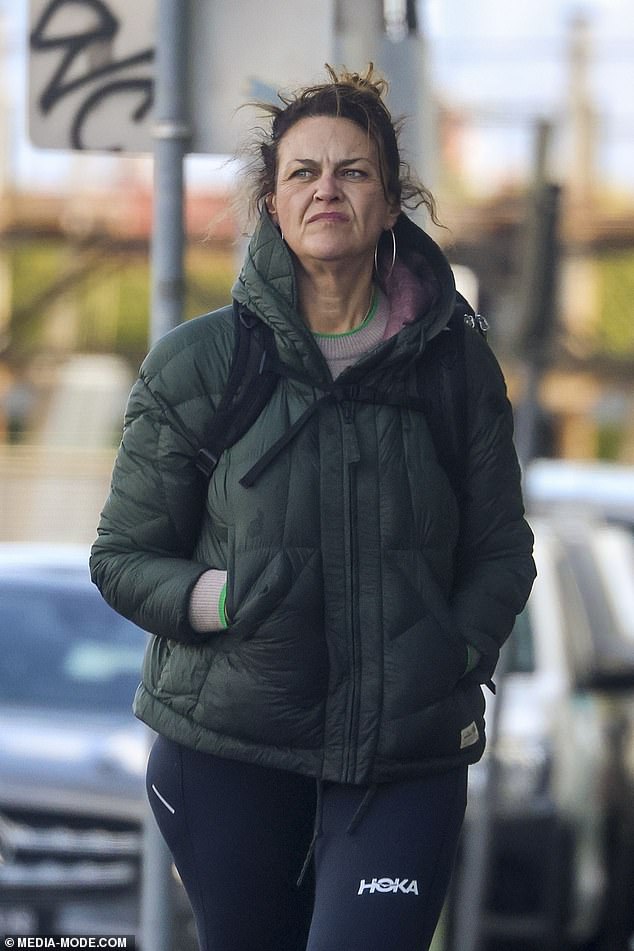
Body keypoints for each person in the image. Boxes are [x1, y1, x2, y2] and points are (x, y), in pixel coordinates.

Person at [91, 65, 536, 951]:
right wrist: (220, 598)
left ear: (390, 199)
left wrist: (448, 655)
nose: (326, 189)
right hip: (229, 751)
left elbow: (502, 551)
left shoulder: (453, 366)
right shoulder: (198, 364)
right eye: (303, 172)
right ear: (273, 201)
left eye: (353, 170)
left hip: (402, 762)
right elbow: (124, 556)